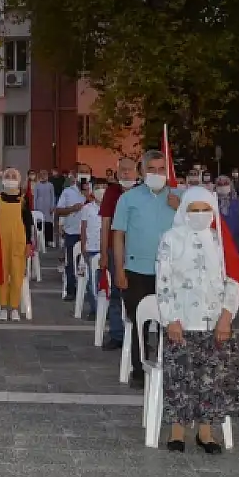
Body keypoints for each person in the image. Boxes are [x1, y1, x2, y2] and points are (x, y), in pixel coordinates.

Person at [155, 187, 239, 453]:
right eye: (194, 209)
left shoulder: (220, 241)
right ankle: (177, 432)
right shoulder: (171, 239)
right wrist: (170, 319)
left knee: (212, 379)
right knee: (179, 378)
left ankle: (206, 433)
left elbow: (234, 281)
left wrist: (226, 318)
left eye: (206, 209)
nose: (200, 214)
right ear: (184, 210)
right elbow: (163, 282)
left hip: (216, 323)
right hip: (181, 322)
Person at [112, 150, 181, 389]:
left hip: (169, 273)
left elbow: (202, 226)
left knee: (168, 322)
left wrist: (181, 208)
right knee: (138, 322)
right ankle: (139, 369)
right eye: (151, 169)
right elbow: (118, 234)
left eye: (162, 169)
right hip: (136, 270)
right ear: (142, 171)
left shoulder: (177, 198)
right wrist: (119, 269)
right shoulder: (128, 199)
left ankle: (165, 367)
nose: (157, 174)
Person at [99, 158, 138, 350]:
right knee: (116, 293)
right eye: (122, 170)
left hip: (138, 251)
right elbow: (105, 223)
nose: (125, 173)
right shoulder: (111, 192)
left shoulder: (144, 193)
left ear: (137, 172)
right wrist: (104, 253)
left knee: (137, 294)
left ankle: (139, 337)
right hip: (115, 250)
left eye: (129, 170)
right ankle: (117, 334)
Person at [0, 169, 34, 320]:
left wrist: (28, 243)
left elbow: (28, 224)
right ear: (3, 179)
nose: (11, 178)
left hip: (18, 243)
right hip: (1, 243)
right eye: (8, 176)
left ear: (19, 180)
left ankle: (14, 307)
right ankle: (2, 307)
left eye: (14, 176)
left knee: (17, 274)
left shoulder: (23, 200)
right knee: (2, 274)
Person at [55, 167, 89, 301]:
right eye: (81, 173)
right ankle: (71, 290)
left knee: (90, 263)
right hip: (72, 232)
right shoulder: (68, 192)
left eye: (86, 173)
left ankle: (90, 291)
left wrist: (88, 196)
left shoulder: (93, 191)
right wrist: (72, 209)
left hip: (90, 233)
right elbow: (58, 210)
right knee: (71, 262)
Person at [78, 180, 104, 320]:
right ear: (93, 191)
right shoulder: (87, 208)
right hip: (91, 248)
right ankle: (94, 309)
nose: (101, 191)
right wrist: (83, 246)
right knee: (91, 281)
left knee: (104, 281)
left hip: (105, 249)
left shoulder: (112, 207)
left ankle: (106, 310)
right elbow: (83, 228)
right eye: (98, 188)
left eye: (103, 188)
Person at [214, 175, 239, 256]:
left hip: (237, 238)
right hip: (219, 239)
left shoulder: (238, 200)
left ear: (230, 185)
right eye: (220, 184)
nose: (223, 186)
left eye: (225, 184)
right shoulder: (212, 201)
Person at [32, 170, 56, 246]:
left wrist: (52, 206)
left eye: (45, 174)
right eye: (42, 174)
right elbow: (35, 197)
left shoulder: (50, 185)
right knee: (40, 223)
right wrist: (35, 209)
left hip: (48, 206)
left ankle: (48, 240)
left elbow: (53, 196)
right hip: (39, 207)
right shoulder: (37, 185)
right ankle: (40, 240)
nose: (43, 176)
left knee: (48, 223)